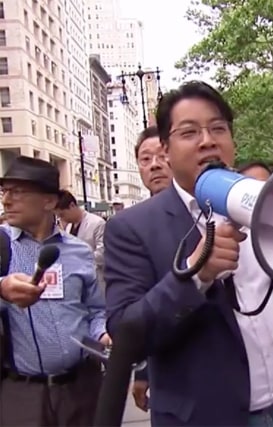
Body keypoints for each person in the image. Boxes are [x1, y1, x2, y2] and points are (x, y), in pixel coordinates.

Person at [104, 81, 273, 426]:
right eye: (189, 132)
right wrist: (196, 273)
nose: (208, 140)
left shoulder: (266, 204)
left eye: (218, 128)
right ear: (166, 150)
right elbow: (127, 334)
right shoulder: (133, 228)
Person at [0, 156, 108, 426]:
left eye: (18, 192)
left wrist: (104, 334)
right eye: (4, 192)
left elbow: (95, 310)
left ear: (49, 201)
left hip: (81, 388)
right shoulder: (2, 246)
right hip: (22, 392)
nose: (6, 201)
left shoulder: (79, 252)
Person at [131, 125, 173, 412]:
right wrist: (142, 372)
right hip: (165, 369)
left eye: (160, 155)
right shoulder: (130, 228)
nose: (155, 165)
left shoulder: (209, 213)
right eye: (146, 159)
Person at [54, 191, 106, 289]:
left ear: (72, 205)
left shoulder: (97, 223)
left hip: (96, 280)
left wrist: (77, 259)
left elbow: (102, 254)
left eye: (62, 215)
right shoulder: (68, 226)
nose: (62, 219)